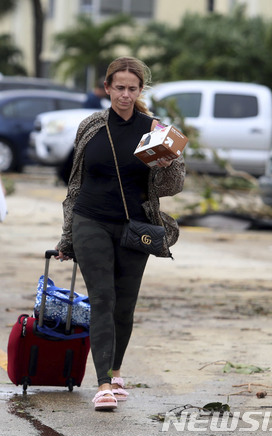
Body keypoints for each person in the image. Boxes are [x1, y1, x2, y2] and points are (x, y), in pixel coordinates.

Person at [54, 57, 185, 411]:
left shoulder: (156, 131)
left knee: (124, 306)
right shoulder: (91, 126)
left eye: (132, 89)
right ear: (108, 87)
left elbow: (173, 187)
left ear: (140, 90)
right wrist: (67, 237)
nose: (125, 95)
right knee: (102, 299)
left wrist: (167, 164)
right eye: (119, 88)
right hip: (90, 221)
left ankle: (115, 370)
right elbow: (75, 184)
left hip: (134, 227)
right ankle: (103, 384)